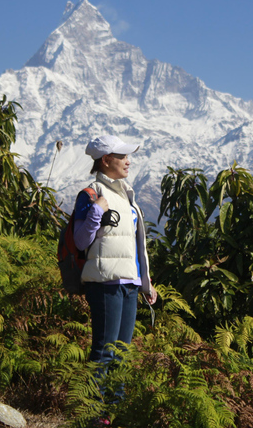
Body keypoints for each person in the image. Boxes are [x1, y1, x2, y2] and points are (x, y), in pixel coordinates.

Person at [73, 135, 157, 411]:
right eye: (122, 157)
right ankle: (92, 411)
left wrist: (145, 283)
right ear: (106, 160)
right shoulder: (91, 194)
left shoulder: (126, 194)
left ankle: (115, 410)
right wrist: (97, 211)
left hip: (129, 283)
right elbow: (81, 241)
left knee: (122, 353)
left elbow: (135, 243)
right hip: (104, 281)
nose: (128, 162)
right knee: (105, 350)